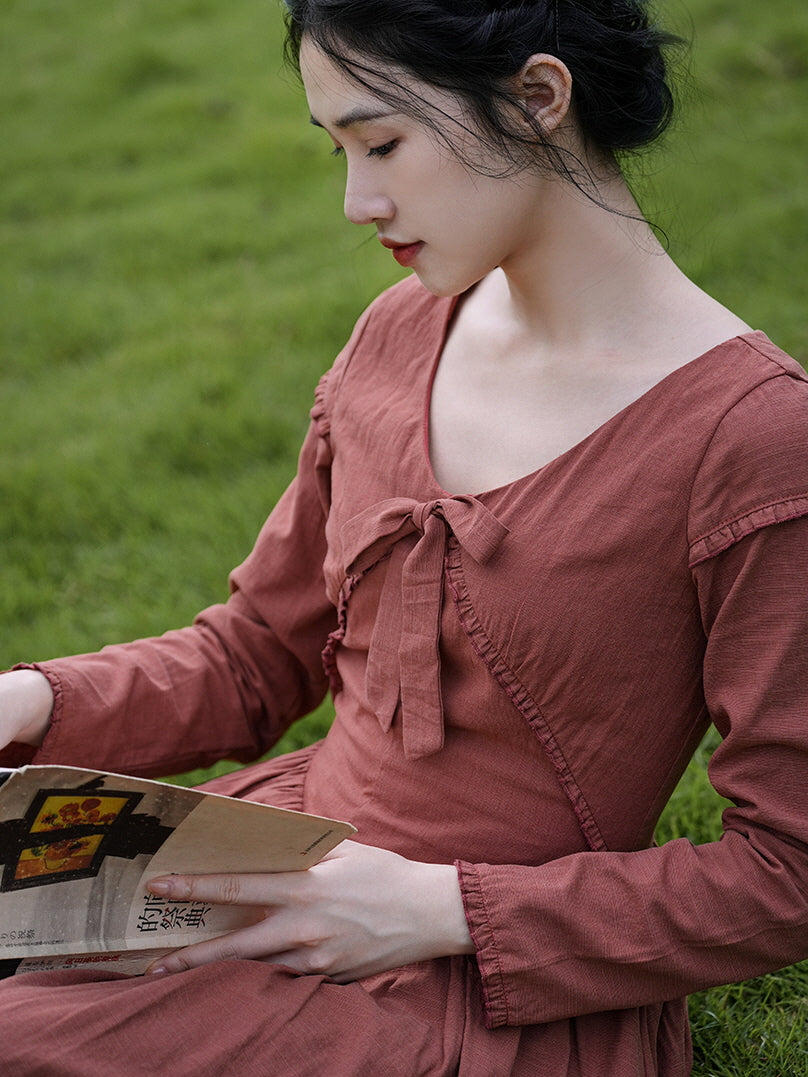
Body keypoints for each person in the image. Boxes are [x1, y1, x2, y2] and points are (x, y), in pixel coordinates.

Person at [2, 0, 807, 1073]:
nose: (355, 200)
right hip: (281, 856)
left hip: (475, 976)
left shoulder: (750, 439)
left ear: (536, 100)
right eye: (337, 148)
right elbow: (256, 655)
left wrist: (438, 909)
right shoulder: (396, 334)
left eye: (381, 142)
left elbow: (786, 868)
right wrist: (35, 700)